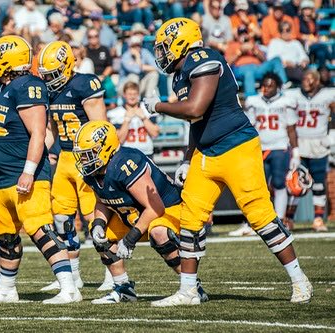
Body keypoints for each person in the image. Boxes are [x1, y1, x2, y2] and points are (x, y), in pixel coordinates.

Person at [143, 17, 312, 306]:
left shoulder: (204, 57)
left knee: (259, 215)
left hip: (237, 146)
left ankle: (299, 280)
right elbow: (196, 122)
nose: (162, 53)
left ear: (182, 42)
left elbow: (196, 108)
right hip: (207, 153)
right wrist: (187, 158)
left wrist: (158, 106)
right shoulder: (180, 74)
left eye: (166, 47)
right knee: (190, 219)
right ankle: (188, 291)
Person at [0, 35, 81, 304]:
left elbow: (38, 133)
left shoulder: (28, 85)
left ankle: (69, 287)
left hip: (24, 174)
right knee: (5, 235)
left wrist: (28, 171)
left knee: (40, 230)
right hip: (2, 176)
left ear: (7, 60)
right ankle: (7, 288)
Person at [73, 121, 208, 304]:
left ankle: (193, 287)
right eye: (82, 155)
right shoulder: (93, 171)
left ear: (105, 147)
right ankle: (123, 289)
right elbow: (102, 200)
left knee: (159, 233)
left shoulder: (126, 162)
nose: (85, 160)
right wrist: (98, 223)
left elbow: (155, 207)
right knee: (100, 235)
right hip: (136, 216)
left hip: (168, 210)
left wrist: (130, 240)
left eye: (89, 154)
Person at [38, 41, 108, 291]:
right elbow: (52, 132)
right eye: (47, 75)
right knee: (61, 219)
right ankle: (73, 274)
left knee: (94, 218)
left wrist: (98, 164)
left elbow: (101, 127)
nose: (51, 80)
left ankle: (112, 272)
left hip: (86, 160)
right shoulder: (51, 91)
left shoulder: (84, 84)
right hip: (66, 158)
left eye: (54, 74)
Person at [230, 73, 299, 236]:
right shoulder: (254, 102)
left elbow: (291, 128)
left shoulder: (286, 102)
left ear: (278, 87)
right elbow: (250, 125)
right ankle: (252, 222)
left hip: (279, 147)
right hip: (259, 148)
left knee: (279, 183)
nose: (265, 89)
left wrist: (296, 152)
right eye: (263, 85)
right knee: (256, 186)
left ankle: (280, 220)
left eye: (270, 86)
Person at [284, 70, 335, 232]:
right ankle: (289, 219)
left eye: (309, 78)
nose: (306, 81)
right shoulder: (294, 95)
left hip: (319, 143)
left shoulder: (328, 95)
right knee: (295, 184)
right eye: (304, 78)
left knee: (319, 183)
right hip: (300, 143)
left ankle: (318, 219)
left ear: (318, 81)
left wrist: (331, 136)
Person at [225, 26, 288, 97]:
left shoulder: (253, 44)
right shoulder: (232, 45)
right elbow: (227, 63)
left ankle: (284, 86)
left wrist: (255, 51)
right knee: (249, 71)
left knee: (276, 59)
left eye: (245, 33)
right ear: (237, 36)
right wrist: (240, 51)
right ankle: (251, 98)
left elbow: (264, 60)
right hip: (240, 69)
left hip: (258, 69)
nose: (243, 36)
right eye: (241, 34)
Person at [107, 81, 159, 158]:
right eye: (129, 94)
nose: (132, 97)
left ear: (138, 95)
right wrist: (127, 120)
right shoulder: (116, 113)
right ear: (124, 95)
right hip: (126, 154)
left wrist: (144, 118)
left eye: (135, 94)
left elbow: (155, 133)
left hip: (146, 153)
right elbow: (119, 140)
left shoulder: (146, 109)